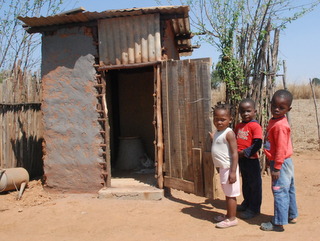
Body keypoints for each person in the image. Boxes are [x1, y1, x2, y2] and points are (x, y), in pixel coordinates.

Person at [260, 89, 298, 232]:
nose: (276, 109)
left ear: (289, 109)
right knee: (288, 189)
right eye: (274, 105)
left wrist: (276, 167)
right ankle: (291, 214)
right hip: (283, 162)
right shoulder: (276, 120)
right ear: (270, 104)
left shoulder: (280, 125)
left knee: (279, 191)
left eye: (281, 108)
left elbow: (281, 149)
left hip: (281, 163)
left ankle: (278, 222)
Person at [209, 103, 240, 229]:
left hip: (229, 168)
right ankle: (228, 215)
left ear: (230, 120)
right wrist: (213, 138)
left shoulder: (229, 133)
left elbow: (234, 154)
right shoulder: (218, 132)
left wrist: (233, 172)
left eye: (223, 119)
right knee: (227, 193)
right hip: (223, 168)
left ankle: (232, 219)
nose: (219, 122)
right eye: (216, 119)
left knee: (231, 194)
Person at [235, 99, 263, 219]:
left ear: (254, 112)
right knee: (246, 183)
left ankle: (254, 208)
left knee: (254, 185)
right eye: (242, 111)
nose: (245, 114)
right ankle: (246, 203)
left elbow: (258, 144)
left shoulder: (255, 126)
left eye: (248, 111)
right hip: (242, 160)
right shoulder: (239, 126)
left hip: (251, 160)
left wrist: (244, 153)